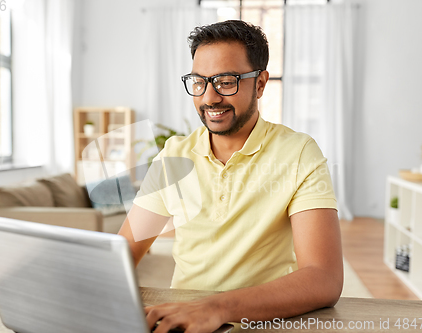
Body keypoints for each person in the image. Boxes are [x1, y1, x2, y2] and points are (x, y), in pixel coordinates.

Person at [118, 20, 343, 333]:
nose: (209, 97)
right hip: (183, 324)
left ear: (260, 84)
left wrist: (216, 308)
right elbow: (123, 253)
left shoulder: (299, 153)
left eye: (226, 81)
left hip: (263, 323)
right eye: (199, 82)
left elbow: (324, 278)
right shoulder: (174, 155)